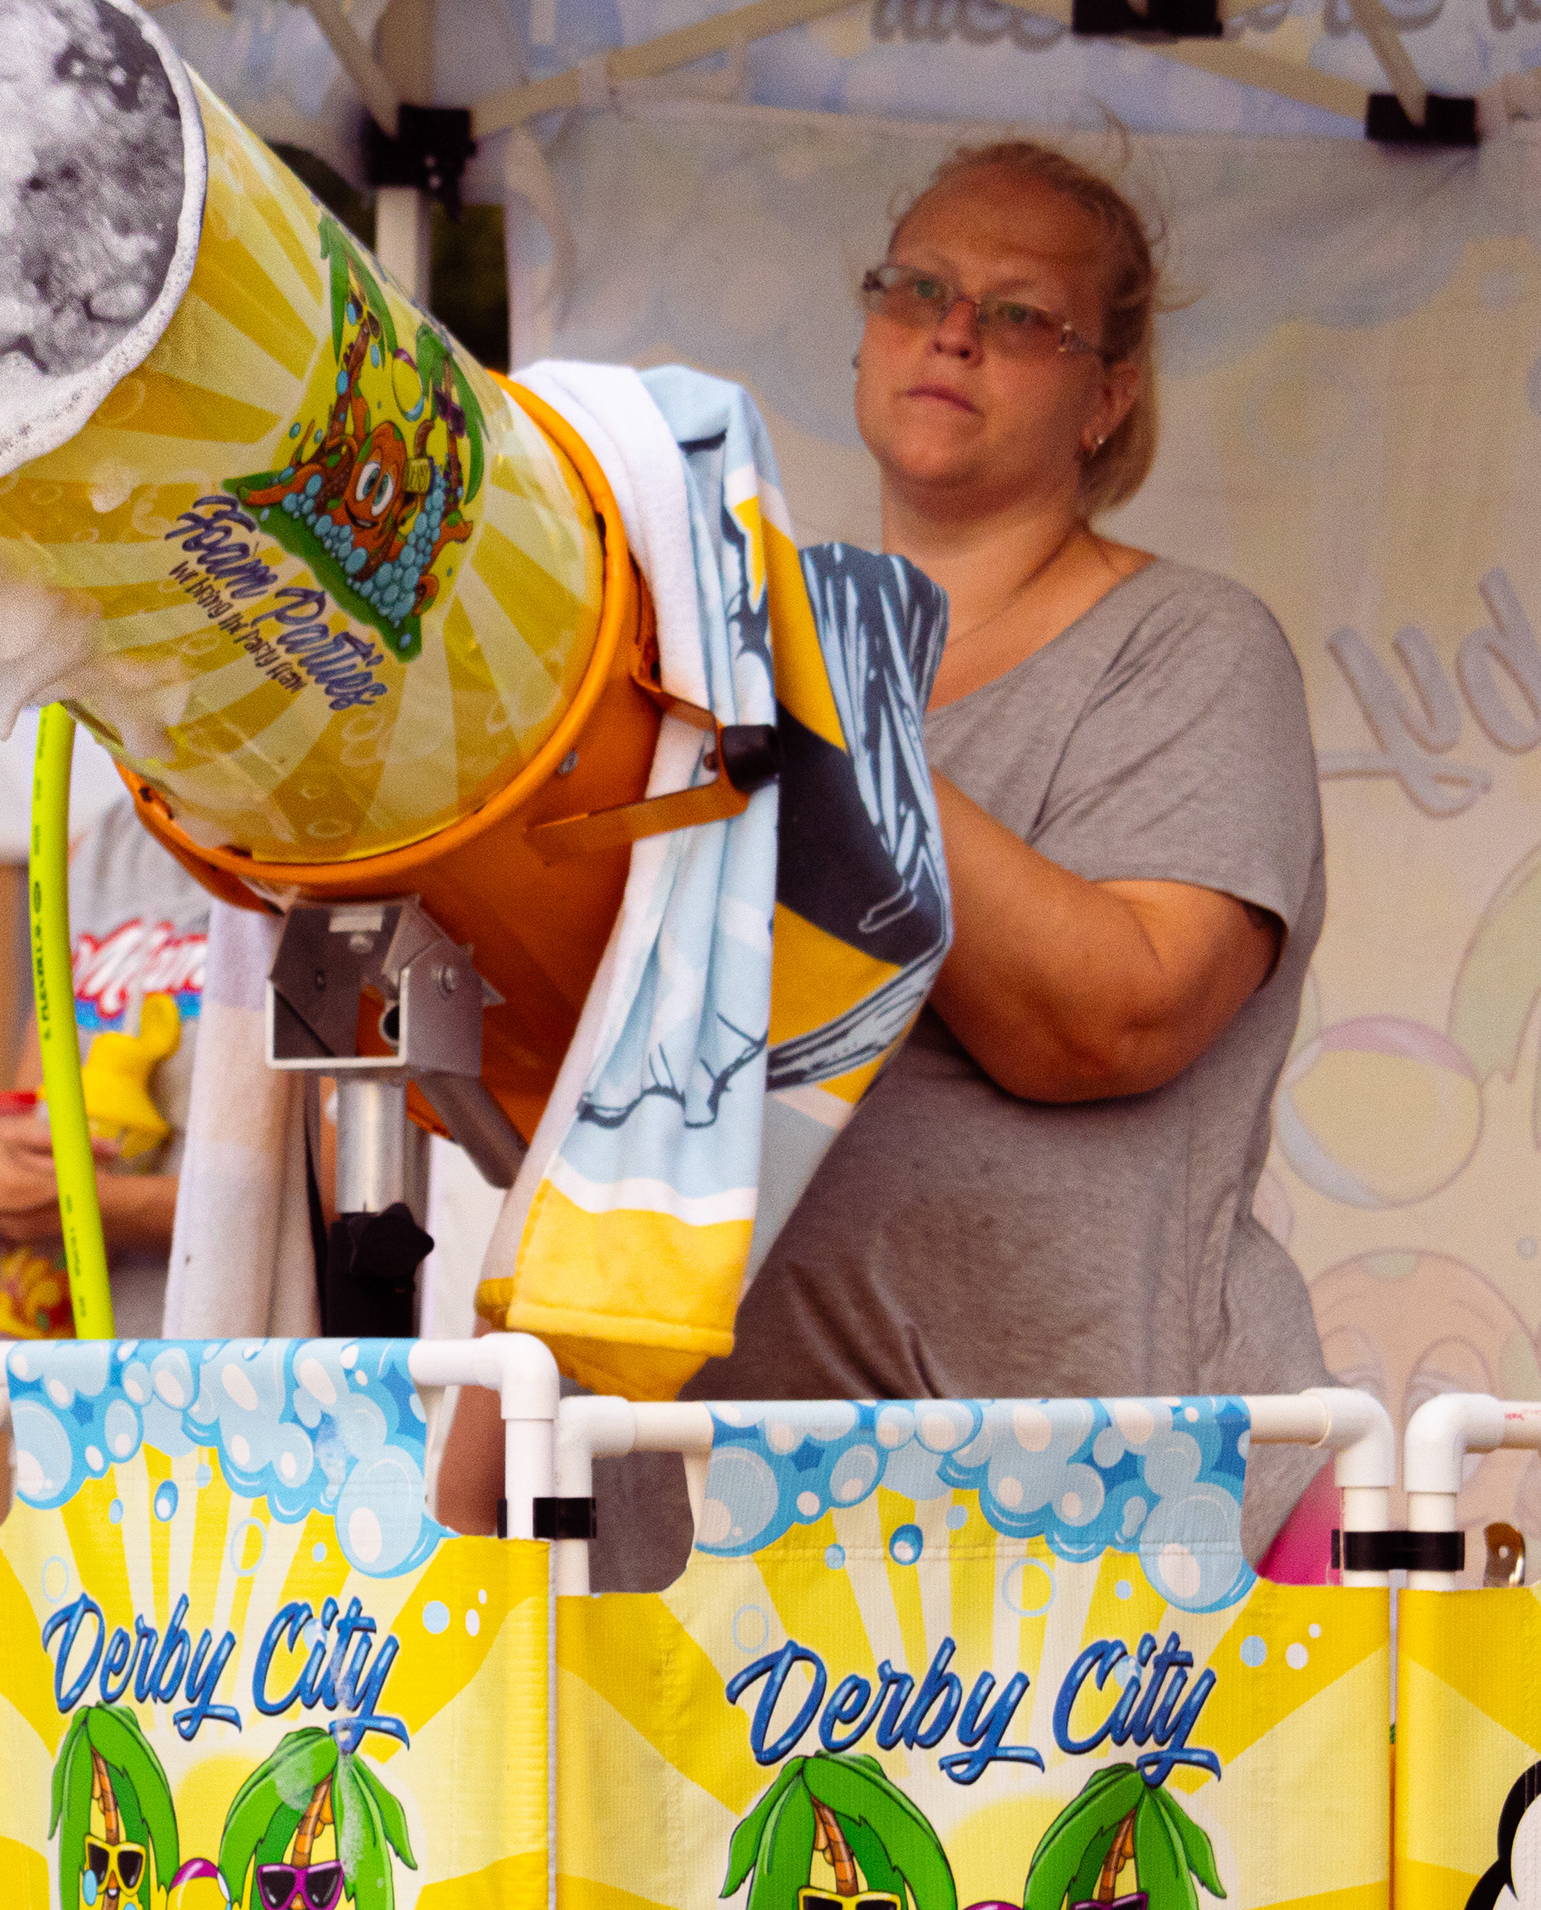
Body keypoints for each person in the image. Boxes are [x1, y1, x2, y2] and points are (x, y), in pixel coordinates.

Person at [452, 140, 1331, 1578]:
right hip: (691, 1530)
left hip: (1090, 1546)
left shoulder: (1190, 647)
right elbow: (595, 1079)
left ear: (1109, 397)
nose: (954, 328)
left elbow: (1115, 1016)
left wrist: (808, 684)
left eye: (1025, 313)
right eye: (916, 284)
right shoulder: (693, 662)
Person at [0, 793, 211, 1338]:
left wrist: (55, 1205)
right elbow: (34, 1127)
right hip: (64, 1372)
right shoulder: (95, 850)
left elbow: (341, 1203)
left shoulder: (344, 851)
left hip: (229, 1374)